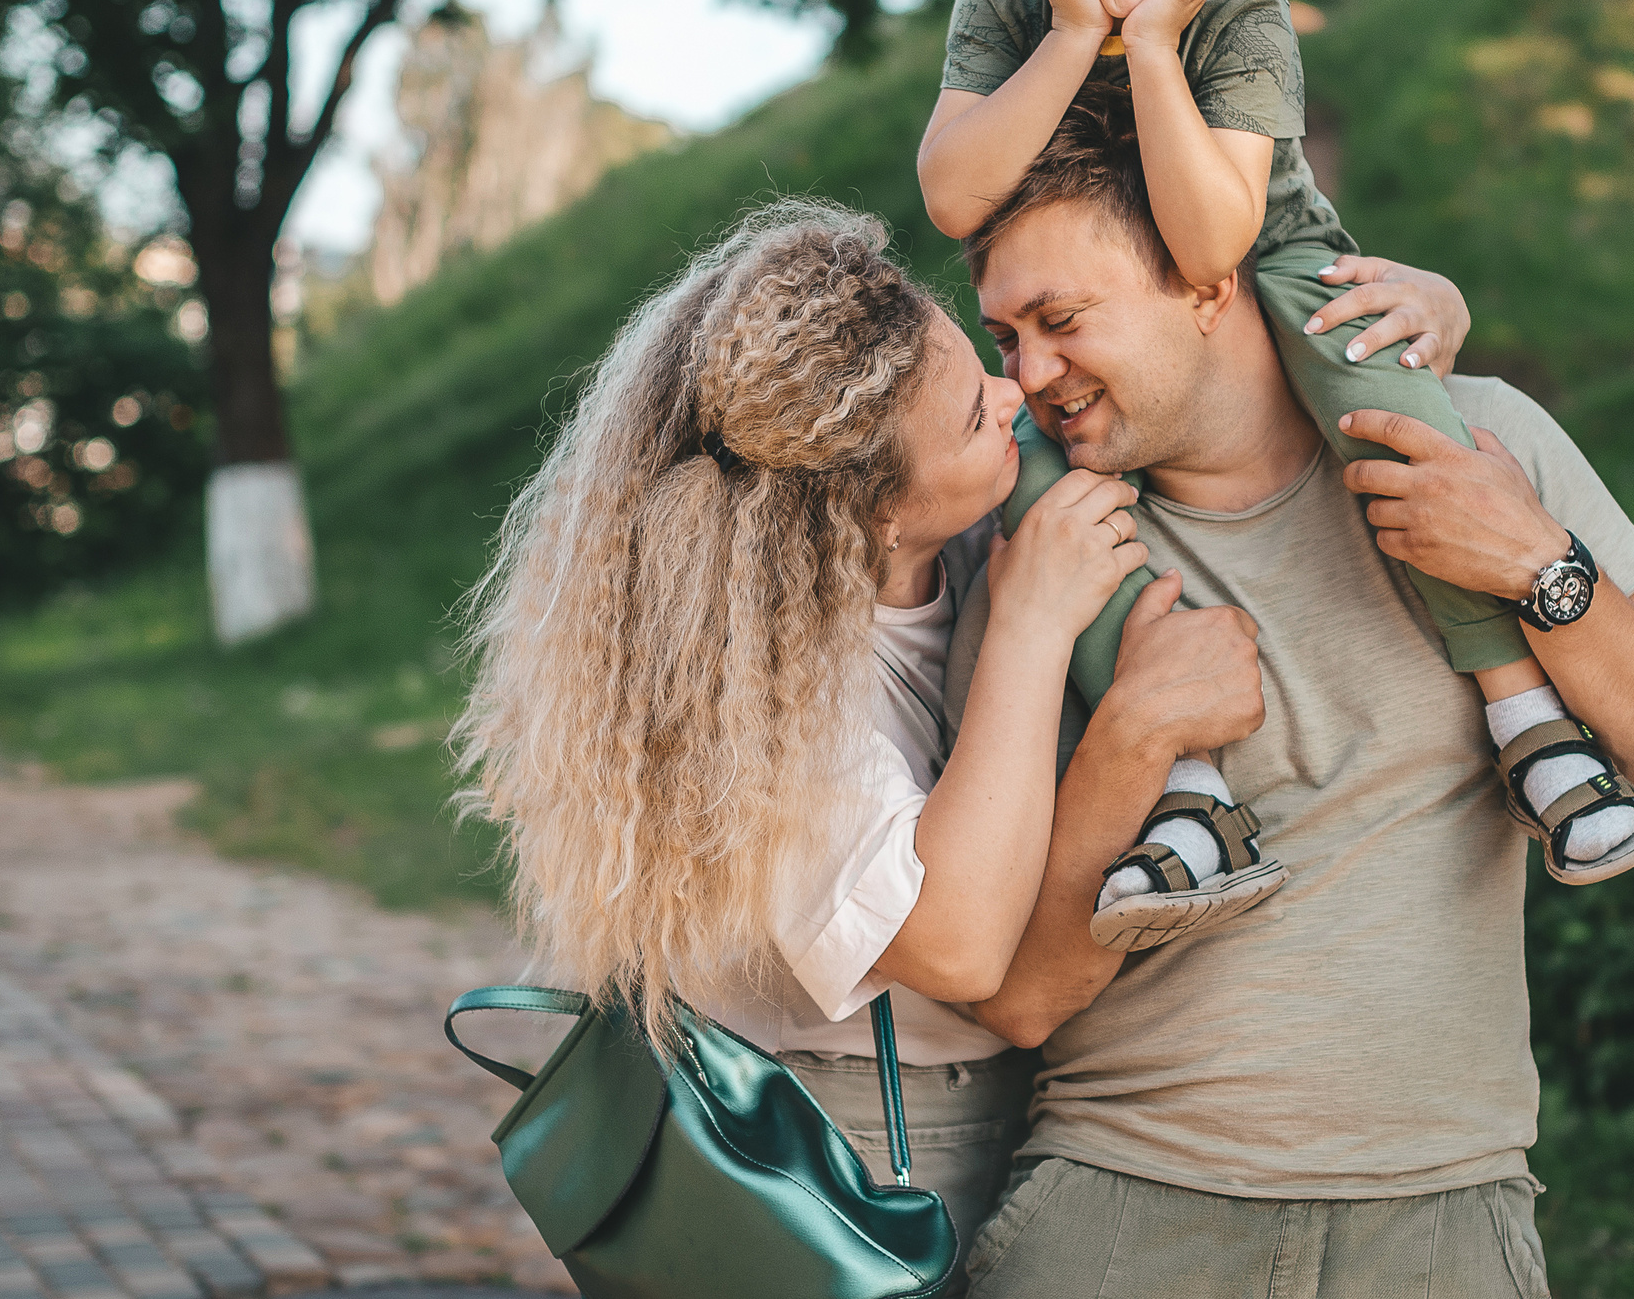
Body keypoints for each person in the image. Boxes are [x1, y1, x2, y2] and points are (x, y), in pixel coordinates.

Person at [941, 108, 1634, 1297]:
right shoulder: (1046, 560)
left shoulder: (1482, 439)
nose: (1029, 376)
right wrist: (1136, 729)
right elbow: (1013, 995)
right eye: (1006, 337)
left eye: (1061, 321)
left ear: (1209, 282)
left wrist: (1538, 563)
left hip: (1443, 1221)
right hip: (1126, 1210)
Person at [919, 0, 1634, 950]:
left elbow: (1218, 239)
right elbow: (950, 191)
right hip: (1090, 283)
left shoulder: (1241, 17)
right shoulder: (1005, 1)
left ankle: (1523, 711)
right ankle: (1191, 790)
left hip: (1274, 260)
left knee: (1388, 399)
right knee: (1038, 494)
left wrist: (1150, 49)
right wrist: (1077, 34)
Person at [447, 202, 1156, 1265]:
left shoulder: (948, 536)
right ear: (873, 513)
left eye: (982, 366)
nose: (1016, 398)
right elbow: (957, 943)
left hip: (981, 1107)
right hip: (856, 1141)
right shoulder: (754, 686)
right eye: (973, 415)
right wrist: (1035, 620)